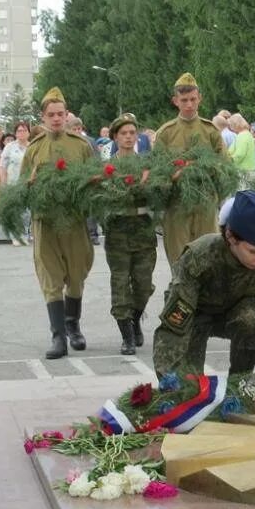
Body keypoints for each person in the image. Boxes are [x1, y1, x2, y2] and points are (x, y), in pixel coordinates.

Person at [152, 190, 255, 378]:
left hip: (238, 315)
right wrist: (171, 383)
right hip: (194, 317)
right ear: (231, 237)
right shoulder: (199, 258)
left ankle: (239, 381)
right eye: (253, 252)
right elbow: (174, 329)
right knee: (189, 387)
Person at [20, 87, 96, 359]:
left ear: (66, 116)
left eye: (60, 114)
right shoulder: (34, 150)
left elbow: (94, 182)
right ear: (42, 117)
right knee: (51, 278)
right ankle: (58, 338)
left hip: (74, 222)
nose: (56, 119)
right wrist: (31, 186)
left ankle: (72, 325)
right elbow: (22, 189)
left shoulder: (81, 146)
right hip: (46, 224)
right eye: (51, 114)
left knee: (76, 276)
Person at [154, 72, 227, 264]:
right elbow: (157, 171)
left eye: (193, 99)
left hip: (206, 203)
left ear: (199, 99)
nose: (189, 104)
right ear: (175, 101)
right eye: (184, 100)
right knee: (179, 261)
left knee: (209, 258)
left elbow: (225, 165)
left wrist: (205, 169)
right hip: (177, 206)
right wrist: (174, 175)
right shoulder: (166, 133)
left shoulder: (210, 131)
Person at [103, 114, 158, 355]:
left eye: (132, 133)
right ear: (115, 137)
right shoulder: (106, 168)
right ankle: (126, 335)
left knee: (144, 284)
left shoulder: (146, 165)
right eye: (123, 133)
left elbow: (159, 194)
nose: (128, 137)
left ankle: (136, 318)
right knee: (120, 284)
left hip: (143, 231)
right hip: (118, 232)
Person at [227, 113, 255, 190]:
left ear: (235, 124)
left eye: (231, 125)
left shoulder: (242, 136)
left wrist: (227, 161)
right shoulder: (248, 134)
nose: (231, 128)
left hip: (244, 173)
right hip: (250, 170)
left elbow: (239, 155)